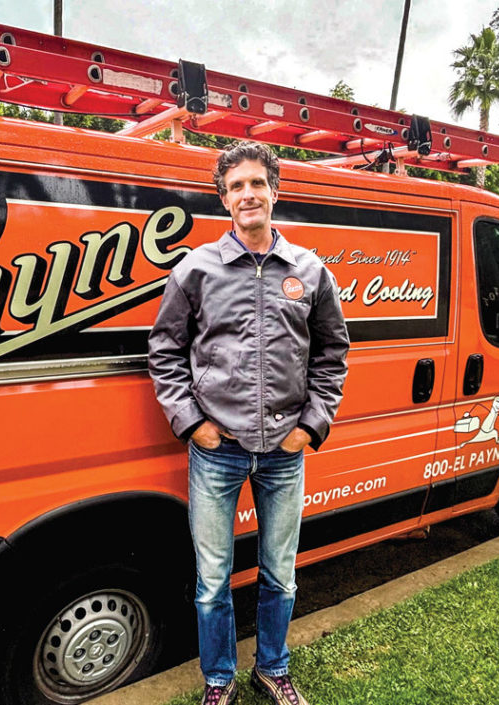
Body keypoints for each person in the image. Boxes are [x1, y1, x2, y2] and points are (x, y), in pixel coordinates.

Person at [148, 141, 349, 705]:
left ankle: (273, 669)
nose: (248, 194)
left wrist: (312, 425)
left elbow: (333, 354)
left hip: (285, 452)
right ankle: (219, 682)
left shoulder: (309, 271)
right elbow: (165, 351)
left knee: (279, 576)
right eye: (236, 187)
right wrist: (193, 425)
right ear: (224, 199)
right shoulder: (196, 270)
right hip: (217, 450)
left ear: (275, 191)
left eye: (257, 183)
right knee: (212, 582)